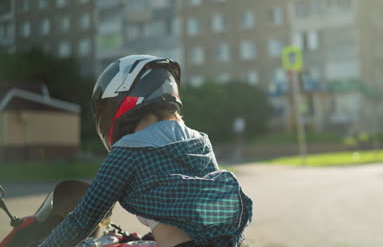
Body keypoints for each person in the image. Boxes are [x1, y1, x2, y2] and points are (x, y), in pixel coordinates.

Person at [38, 55, 253, 247]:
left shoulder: (127, 151)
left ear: (119, 100)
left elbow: (83, 219)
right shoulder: (201, 140)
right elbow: (203, 211)